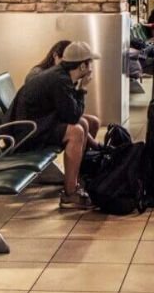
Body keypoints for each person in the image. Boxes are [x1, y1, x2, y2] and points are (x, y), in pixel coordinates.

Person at [10, 41, 101, 209]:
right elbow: (72, 116)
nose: (91, 68)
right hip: (26, 133)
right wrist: (82, 89)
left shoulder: (61, 76)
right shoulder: (59, 80)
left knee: (83, 123)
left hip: (36, 124)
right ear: (82, 66)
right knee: (76, 132)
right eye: (90, 63)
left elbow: (73, 113)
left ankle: (77, 177)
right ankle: (70, 193)